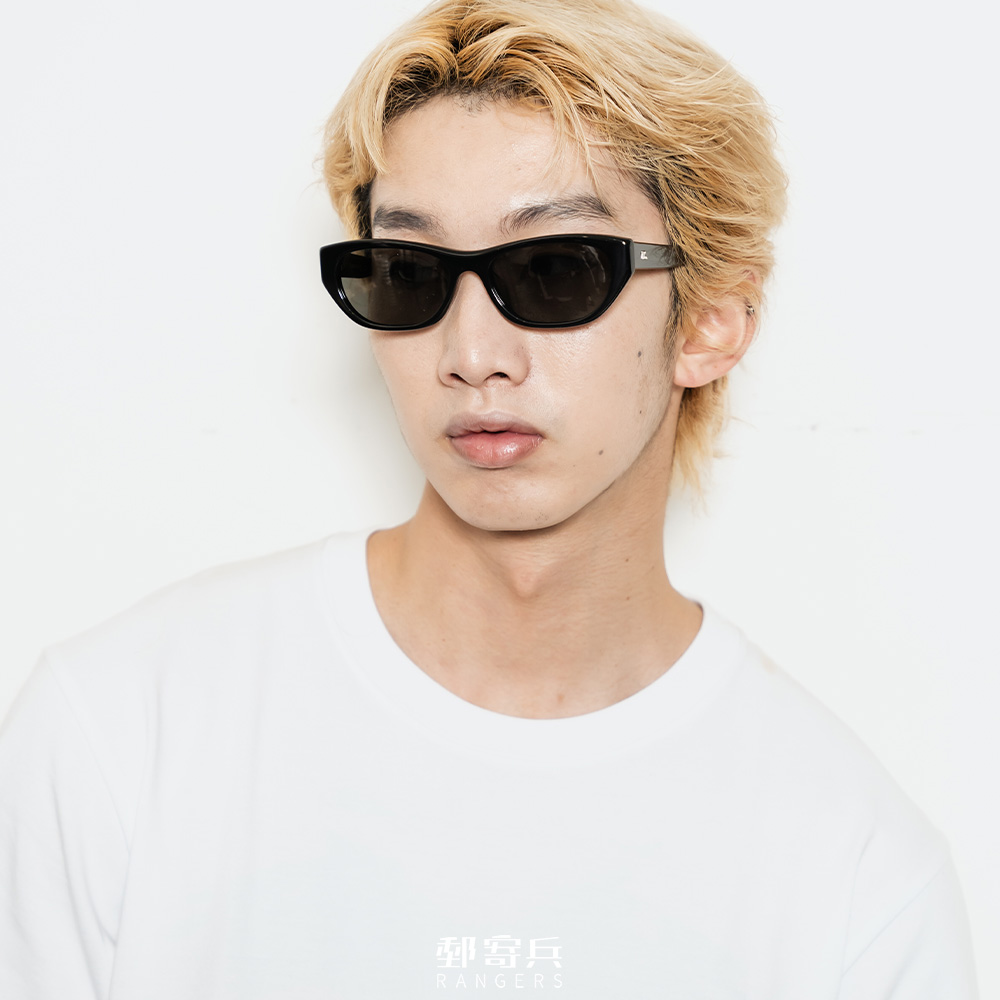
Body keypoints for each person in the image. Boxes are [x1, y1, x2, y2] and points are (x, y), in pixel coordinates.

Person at [0, 0, 978, 996]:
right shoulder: (122, 735)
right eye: (411, 272)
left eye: (554, 270)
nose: (471, 355)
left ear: (711, 321)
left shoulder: (853, 876)